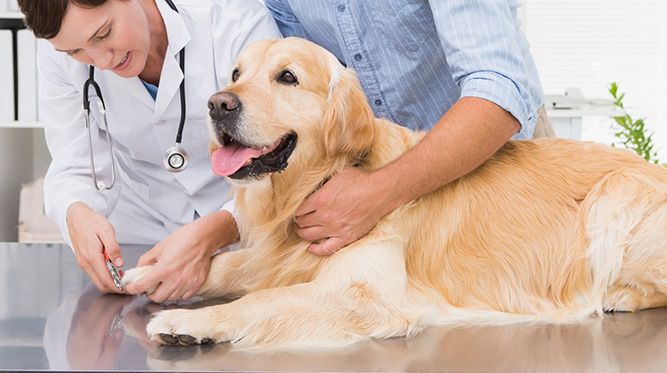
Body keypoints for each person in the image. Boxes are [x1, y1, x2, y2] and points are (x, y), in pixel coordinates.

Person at [18, 0, 281, 302]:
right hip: (137, 242)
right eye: (76, 52)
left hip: (245, 235)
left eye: (104, 34)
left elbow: (284, 158)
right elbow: (73, 160)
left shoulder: (236, 23)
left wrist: (214, 233)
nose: (102, 62)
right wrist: (75, 211)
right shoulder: (58, 57)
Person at [265, 0, 554, 256]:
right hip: (378, 182)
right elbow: (307, 100)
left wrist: (377, 192)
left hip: (498, 162)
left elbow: (497, 94)